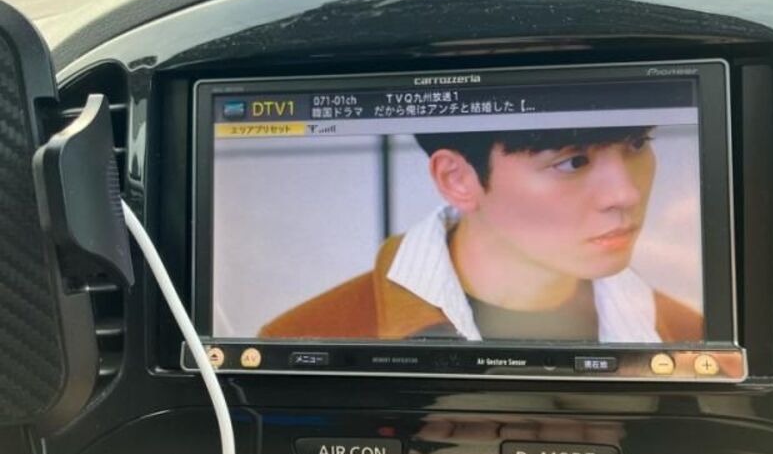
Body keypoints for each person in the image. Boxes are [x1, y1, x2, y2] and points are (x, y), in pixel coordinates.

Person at [259, 126, 703, 342]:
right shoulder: (309, 336)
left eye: (637, 144)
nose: (626, 193)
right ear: (458, 179)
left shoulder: (688, 335)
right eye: (573, 162)